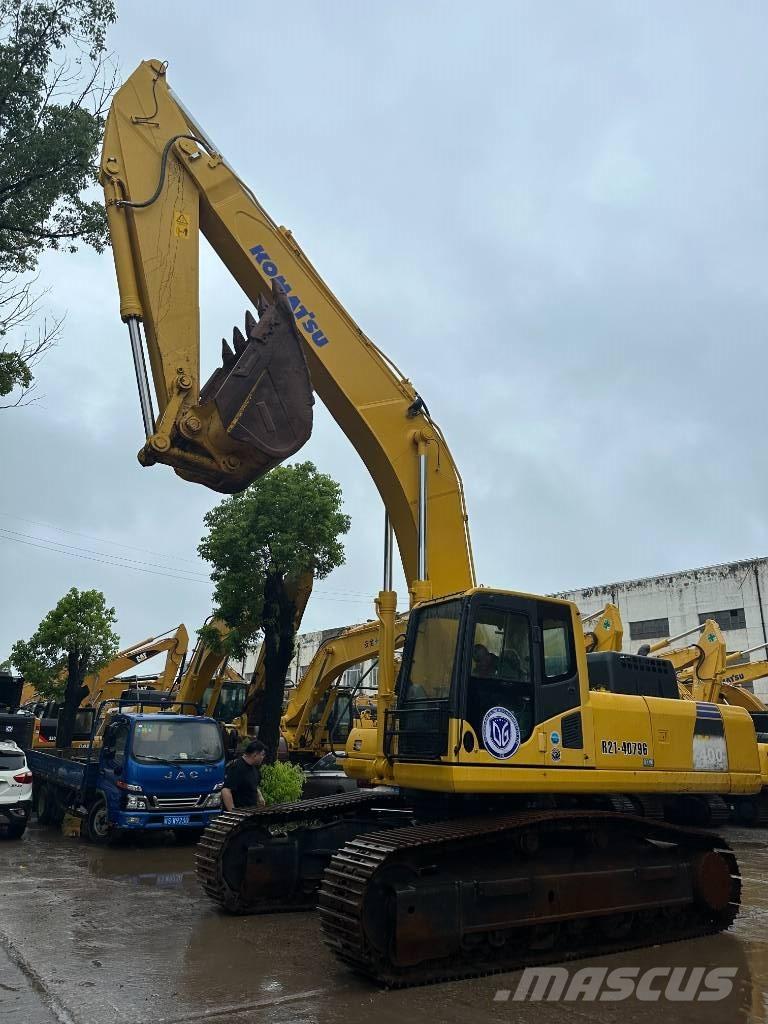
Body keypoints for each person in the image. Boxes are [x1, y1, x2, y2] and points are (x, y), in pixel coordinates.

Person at [221, 739, 267, 811]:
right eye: (262, 754)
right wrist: (233, 813)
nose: (263, 757)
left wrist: (260, 796)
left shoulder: (254, 767)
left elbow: (253, 785)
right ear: (255, 755)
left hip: (251, 812)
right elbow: (226, 790)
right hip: (240, 814)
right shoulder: (236, 767)